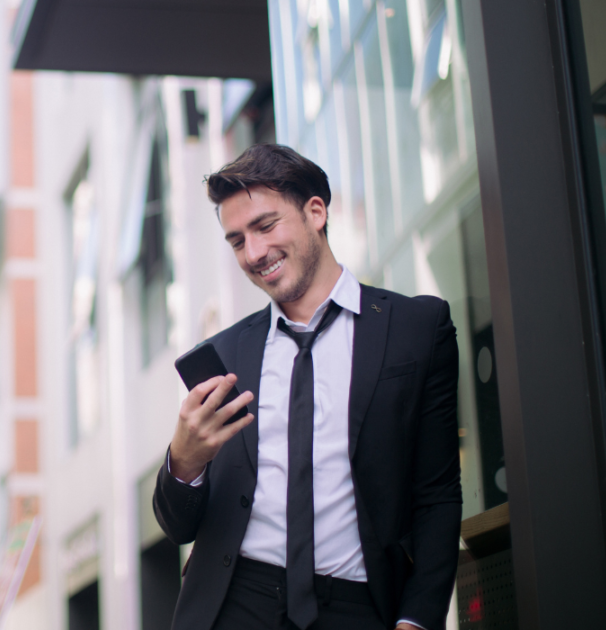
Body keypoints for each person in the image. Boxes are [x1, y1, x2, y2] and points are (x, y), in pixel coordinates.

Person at [153, 144, 461, 630]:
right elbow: (178, 526)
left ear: (315, 211)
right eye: (236, 241)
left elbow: (438, 495)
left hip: (358, 607)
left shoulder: (416, 329)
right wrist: (185, 461)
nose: (254, 253)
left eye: (265, 226)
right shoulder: (226, 354)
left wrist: (418, 618)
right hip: (235, 606)